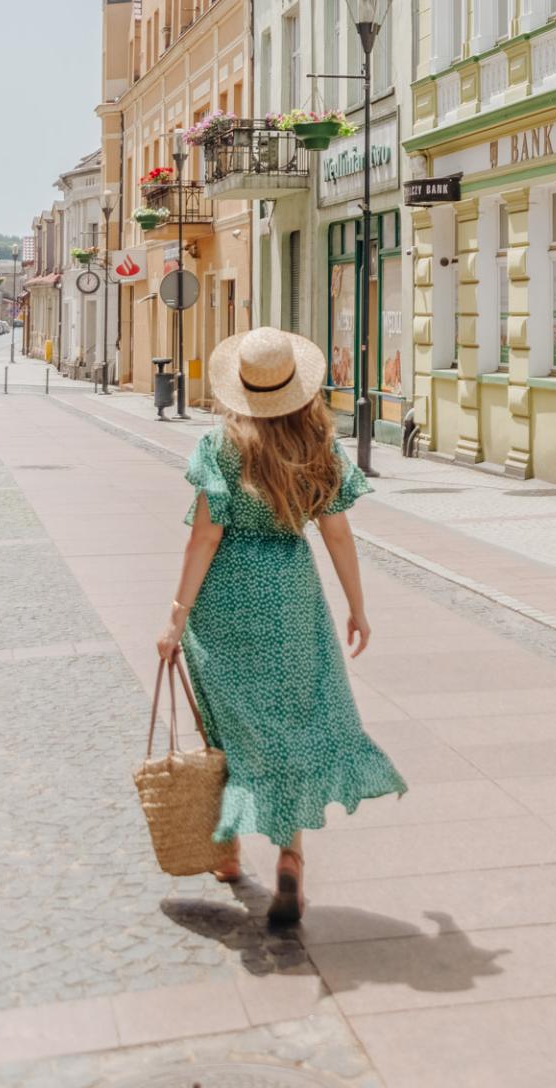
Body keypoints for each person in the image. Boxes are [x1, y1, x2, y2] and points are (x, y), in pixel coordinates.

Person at [155, 325, 406, 925]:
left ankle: (228, 849)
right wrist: (358, 606)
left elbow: (206, 535)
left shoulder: (220, 447)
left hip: (224, 601)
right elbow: (338, 531)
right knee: (292, 722)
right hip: (291, 593)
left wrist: (175, 615)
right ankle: (290, 855)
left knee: (229, 724)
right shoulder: (320, 443)